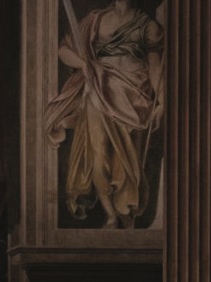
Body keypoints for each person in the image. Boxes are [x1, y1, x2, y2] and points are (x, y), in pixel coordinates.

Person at [44, 0, 164, 229]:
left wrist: (163, 102)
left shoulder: (148, 26)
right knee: (98, 155)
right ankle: (110, 214)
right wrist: (83, 65)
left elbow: (155, 67)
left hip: (134, 99)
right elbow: (64, 50)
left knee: (128, 163)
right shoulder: (95, 21)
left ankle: (126, 214)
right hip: (99, 91)